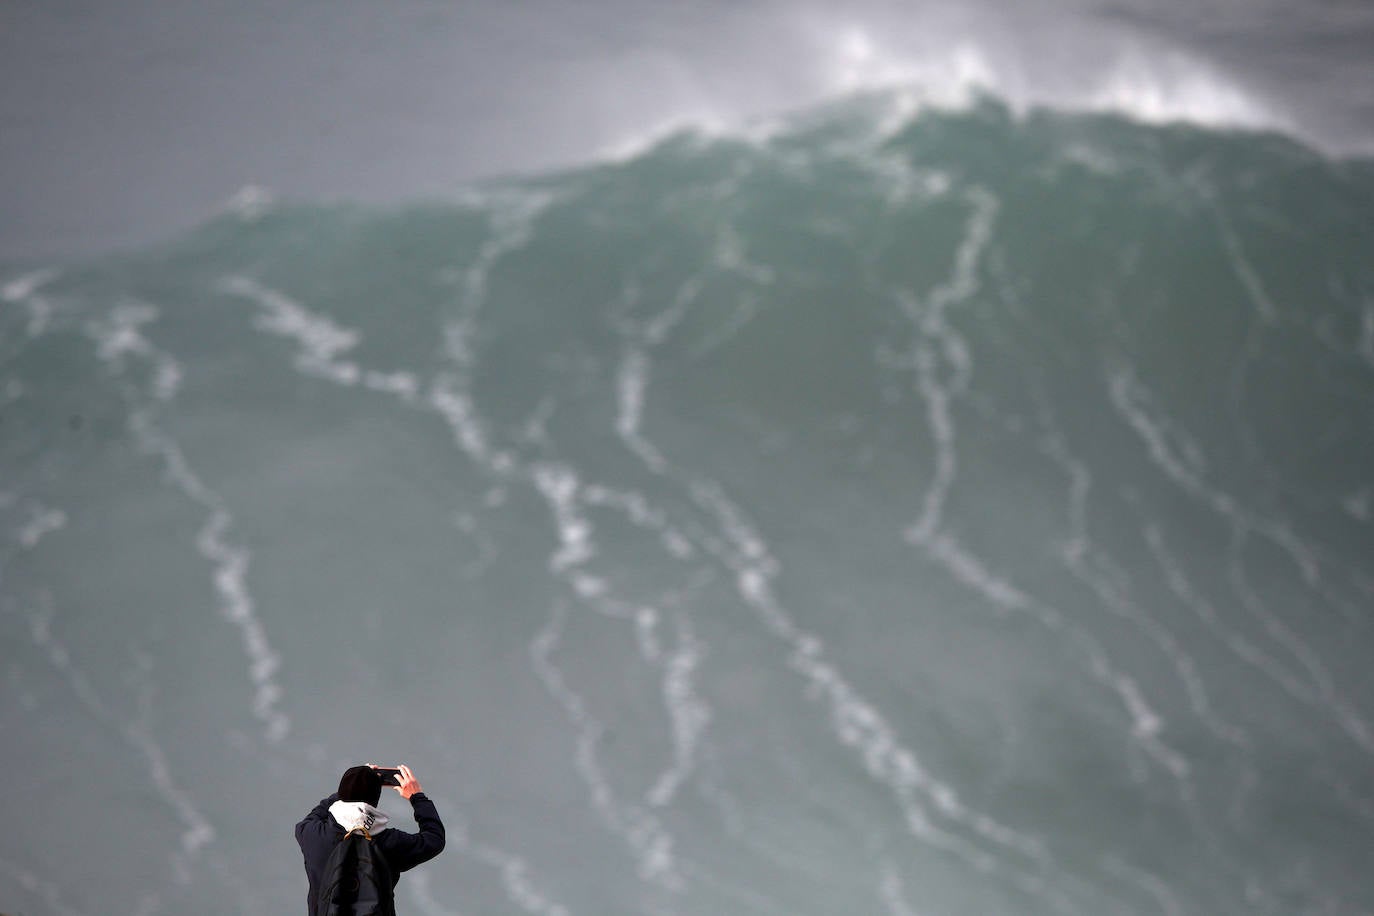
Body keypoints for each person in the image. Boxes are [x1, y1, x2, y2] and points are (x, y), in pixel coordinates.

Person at [296, 763, 446, 914]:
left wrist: (350, 786)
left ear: (342, 794)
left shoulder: (312, 833)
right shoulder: (389, 843)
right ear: (375, 799)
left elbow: (317, 813)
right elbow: (434, 839)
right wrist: (417, 796)